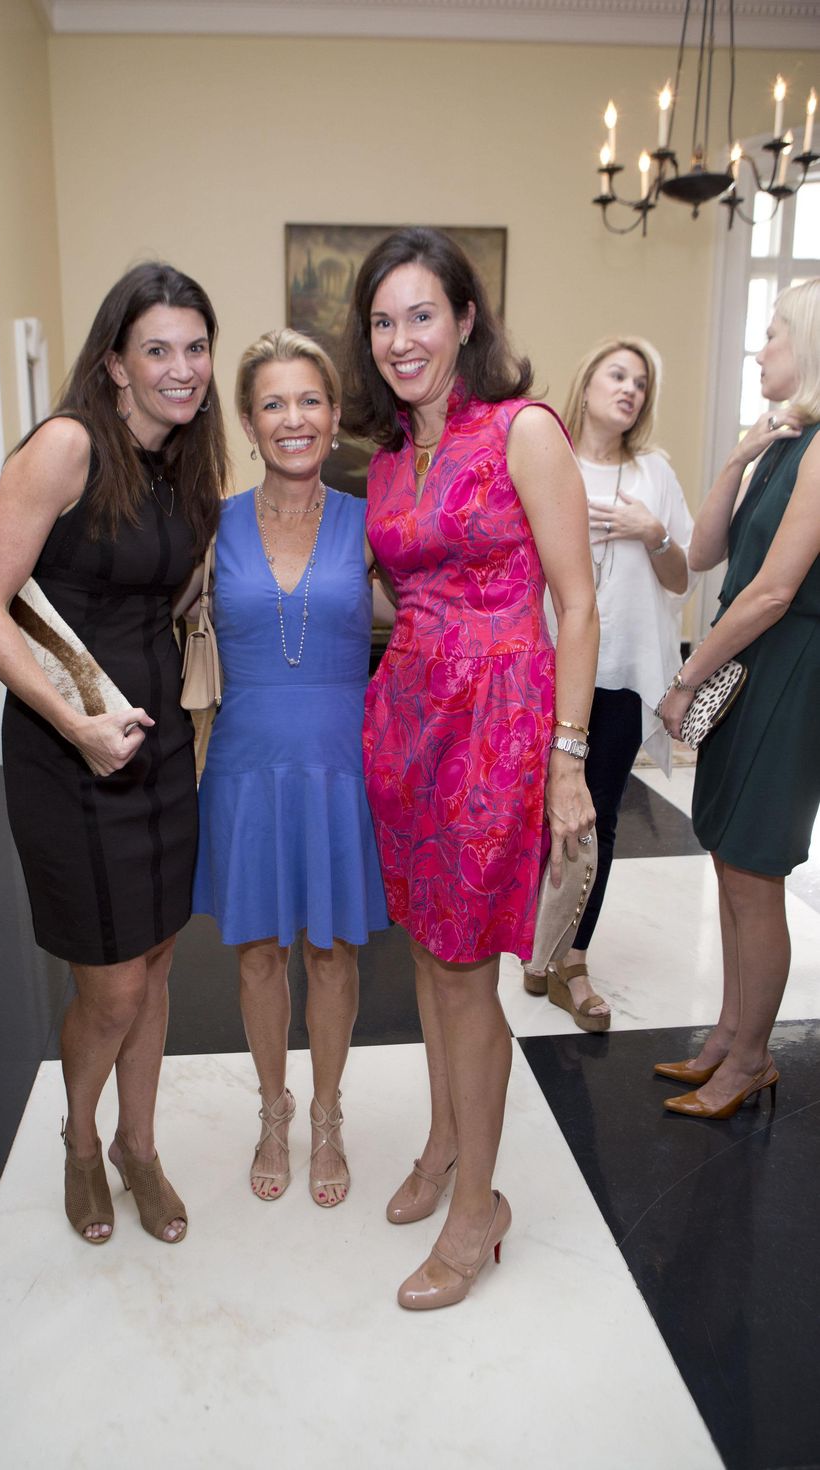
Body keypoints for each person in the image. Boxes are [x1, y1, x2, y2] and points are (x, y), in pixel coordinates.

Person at [342, 227, 598, 1308]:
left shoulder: (523, 431)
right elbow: (403, 593)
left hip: (497, 727)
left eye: (420, 315)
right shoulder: (391, 456)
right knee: (426, 953)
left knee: (464, 971)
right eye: (381, 321)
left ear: (464, 319)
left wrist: (567, 759)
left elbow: (576, 604)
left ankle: (477, 1209)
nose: (401, 339)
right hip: (407, 722)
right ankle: (444, 1141)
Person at [0, 262, 227, 1243]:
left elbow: (167, 598)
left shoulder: (183, 466)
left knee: (154, 966)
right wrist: (73, 724)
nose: (181, 368)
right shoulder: (67, 446)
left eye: (195, 347)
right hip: (66, 750)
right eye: (156, 349)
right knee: (108, 985)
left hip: (156, 750)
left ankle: (137, 1148)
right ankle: (79, 1139)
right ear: (113, 362)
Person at [191, 329, 389, 1207]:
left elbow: (435, 610)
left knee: (334, 951)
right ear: (246, 419)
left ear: (337, 416)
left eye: (310, 400)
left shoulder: (370, 520)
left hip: (342, 763)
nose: (294, 418)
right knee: (259, 953)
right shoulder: (211, 523)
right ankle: (274, 1111)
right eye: (273, 403)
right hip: (247, 764)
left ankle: (329, 1111)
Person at [657, 277, 820, 1120]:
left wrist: (687, 677)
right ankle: (728, 1033)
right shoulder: (788, 443)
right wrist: (735, 458)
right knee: (727, 856)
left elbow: (770, 594)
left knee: (755, 869)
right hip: (748, 662)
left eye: (773, 336)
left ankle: (752, 1058)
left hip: (785, 671)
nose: (759, 350)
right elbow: (710, 552)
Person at [523, 338, 696, 1030]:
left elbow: (682, 577)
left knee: (598, 815)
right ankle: (533, 940)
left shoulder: (654, 473)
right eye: (617, 374)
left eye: (641, 383)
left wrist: (653, 533)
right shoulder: (544, 460)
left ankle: (573, 958)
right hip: (545, 668)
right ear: (587, 381)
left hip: (620, 675)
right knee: (536, 810)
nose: (630, 389)